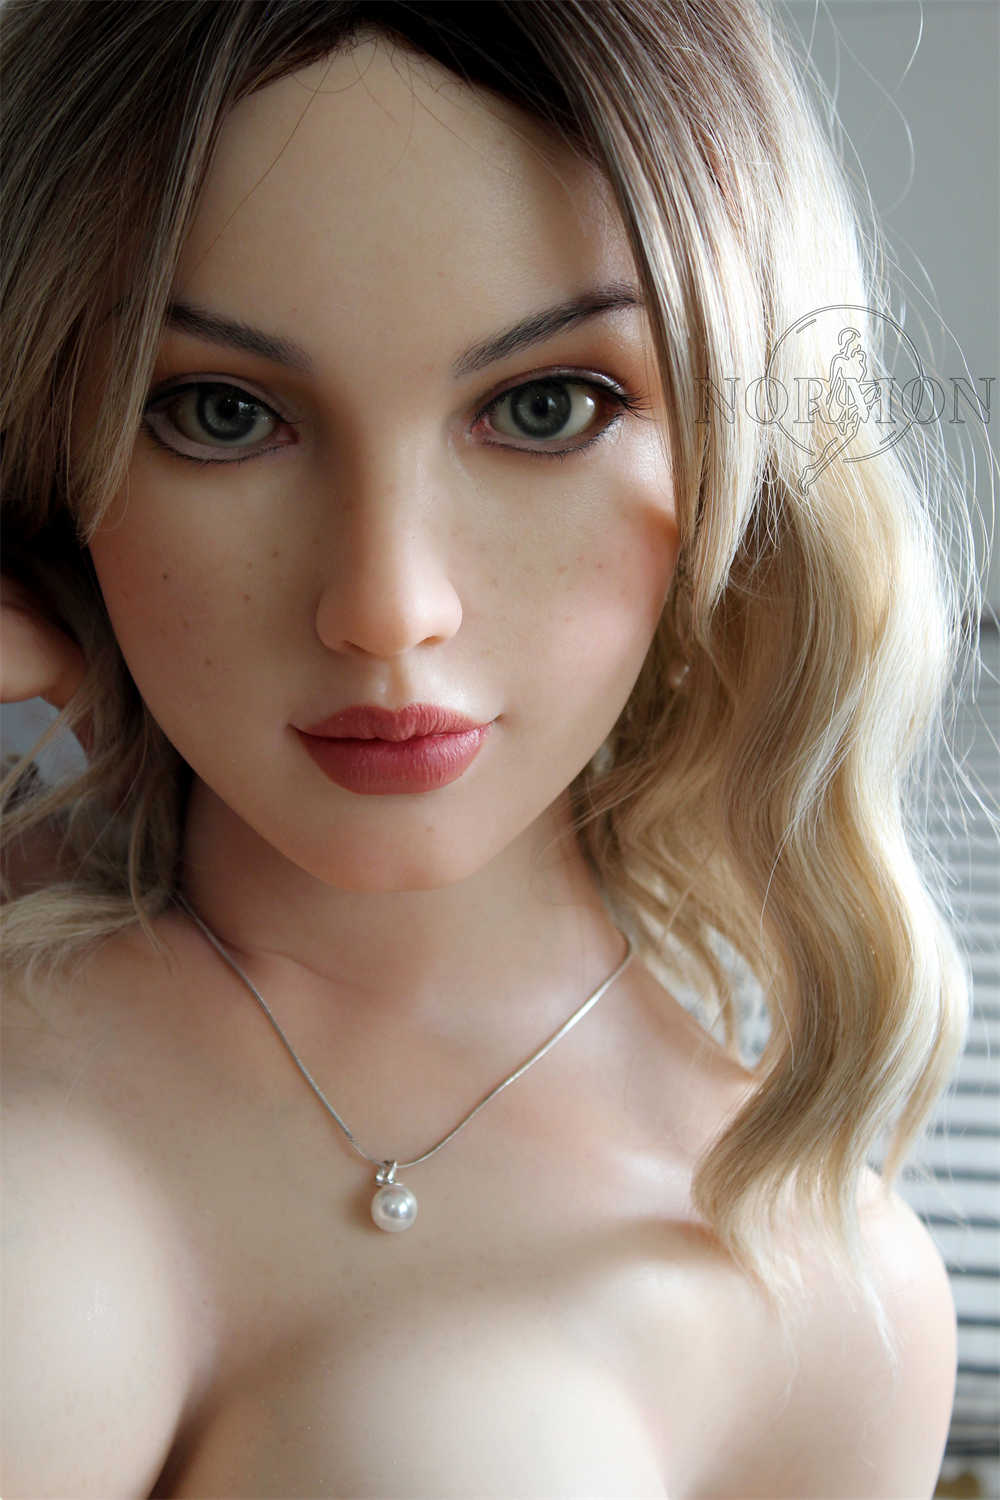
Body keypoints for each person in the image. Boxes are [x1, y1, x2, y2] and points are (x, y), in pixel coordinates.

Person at [0, 1, 981, 1495]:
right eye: (219, 412)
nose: (388, 608)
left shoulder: (815, 1293)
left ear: (741, 455)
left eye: (544, 406)